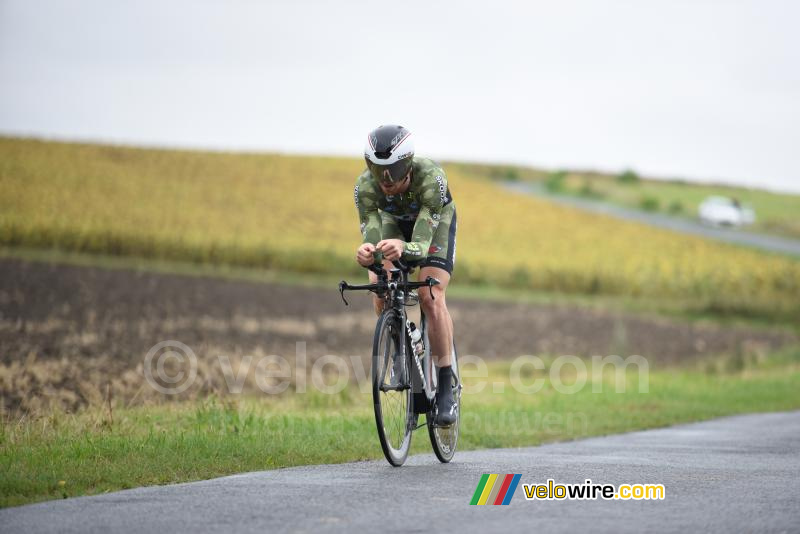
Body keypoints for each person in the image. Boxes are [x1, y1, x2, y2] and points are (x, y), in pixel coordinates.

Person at [353, 124, 458, 426]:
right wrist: (366, 254)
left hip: (433, 226)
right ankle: (401, 346)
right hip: (395, 224)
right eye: (377, 169)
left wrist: (403, 246)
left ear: (408, 164)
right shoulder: (366, 188)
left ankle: (445, 385)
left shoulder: (430, 179)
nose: (386, 179)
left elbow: (422, 245)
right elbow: (372, 239)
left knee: (430, 293)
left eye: (394, 170)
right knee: (379, 283)